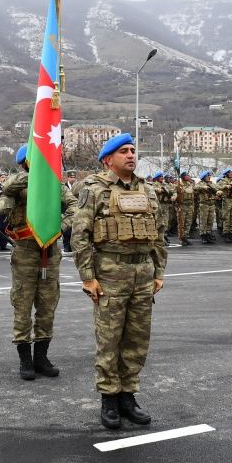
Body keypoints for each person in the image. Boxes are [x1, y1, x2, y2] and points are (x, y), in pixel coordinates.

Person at [70, 133, 166, 430]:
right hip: (110, 274)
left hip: (143, 275)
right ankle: (109, 398)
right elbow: (80, 236)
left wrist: (159, 271)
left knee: (137, 340)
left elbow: (159, 234)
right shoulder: (94, 190)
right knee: (110, 340)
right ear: (107, 159)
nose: (131, 155)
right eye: (123, 151)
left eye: (133, 150)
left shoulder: (148, 191)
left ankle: (128, 395)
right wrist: (88, 277)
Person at [0, 144, 77, 381]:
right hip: (25, 253)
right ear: (24, 163)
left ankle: (41, 356)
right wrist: (34, 175)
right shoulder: (16, 186)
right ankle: (25, 359)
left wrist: (61, 227)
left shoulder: (54, 185)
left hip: (49, 252)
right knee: (22, 306)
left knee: (47, 306)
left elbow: (74, 207)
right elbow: (5, 193)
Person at [61, 169, 79, 252]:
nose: (73, 179)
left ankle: (73, 247)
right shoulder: (64, 187)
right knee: (66, 232)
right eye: (71, 177)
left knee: (75, 232)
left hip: (76, 213)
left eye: (74, 177)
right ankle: (66, 247)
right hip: (66, 213)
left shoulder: (78, 187)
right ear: (68, 178)